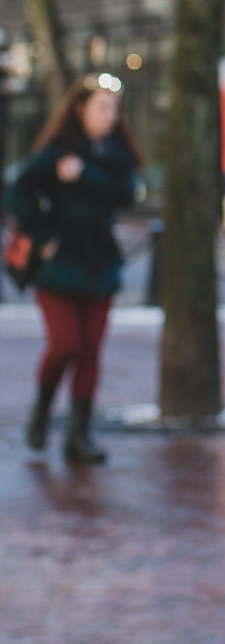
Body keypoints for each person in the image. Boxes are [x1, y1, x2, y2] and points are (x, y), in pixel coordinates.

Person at [11, 73, 140, 464]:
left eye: (114, 109)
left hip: (100, 262)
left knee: (91, 351)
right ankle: (42, 410)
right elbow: (16, 192)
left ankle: (78, 435)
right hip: (59, 264)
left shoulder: (116, 154)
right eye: (102, 107)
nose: (110, 116)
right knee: (66, 344)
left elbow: (127, 194)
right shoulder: (57, 152)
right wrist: (43, 233)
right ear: (80, 109)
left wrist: (85, 174)